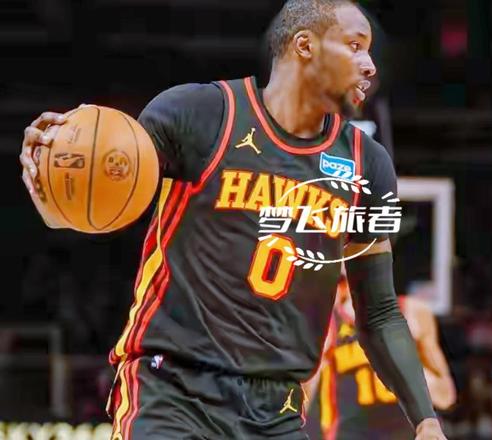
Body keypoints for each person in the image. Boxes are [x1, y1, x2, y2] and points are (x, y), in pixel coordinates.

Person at [19, 1, 448, 439]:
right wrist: (53, 187)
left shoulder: (368, 163)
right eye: (355, 46)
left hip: (277, 409)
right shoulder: (200, 112)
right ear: (305, 46)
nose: (370, 65)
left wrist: (426, 421)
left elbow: (379, 312)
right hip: (172, 389)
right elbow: (95, 198)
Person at [304, 273, 456, 439]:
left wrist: (408, 366)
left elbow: (446, 396)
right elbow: (302, 405)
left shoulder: (413, 313)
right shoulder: (326, 324)